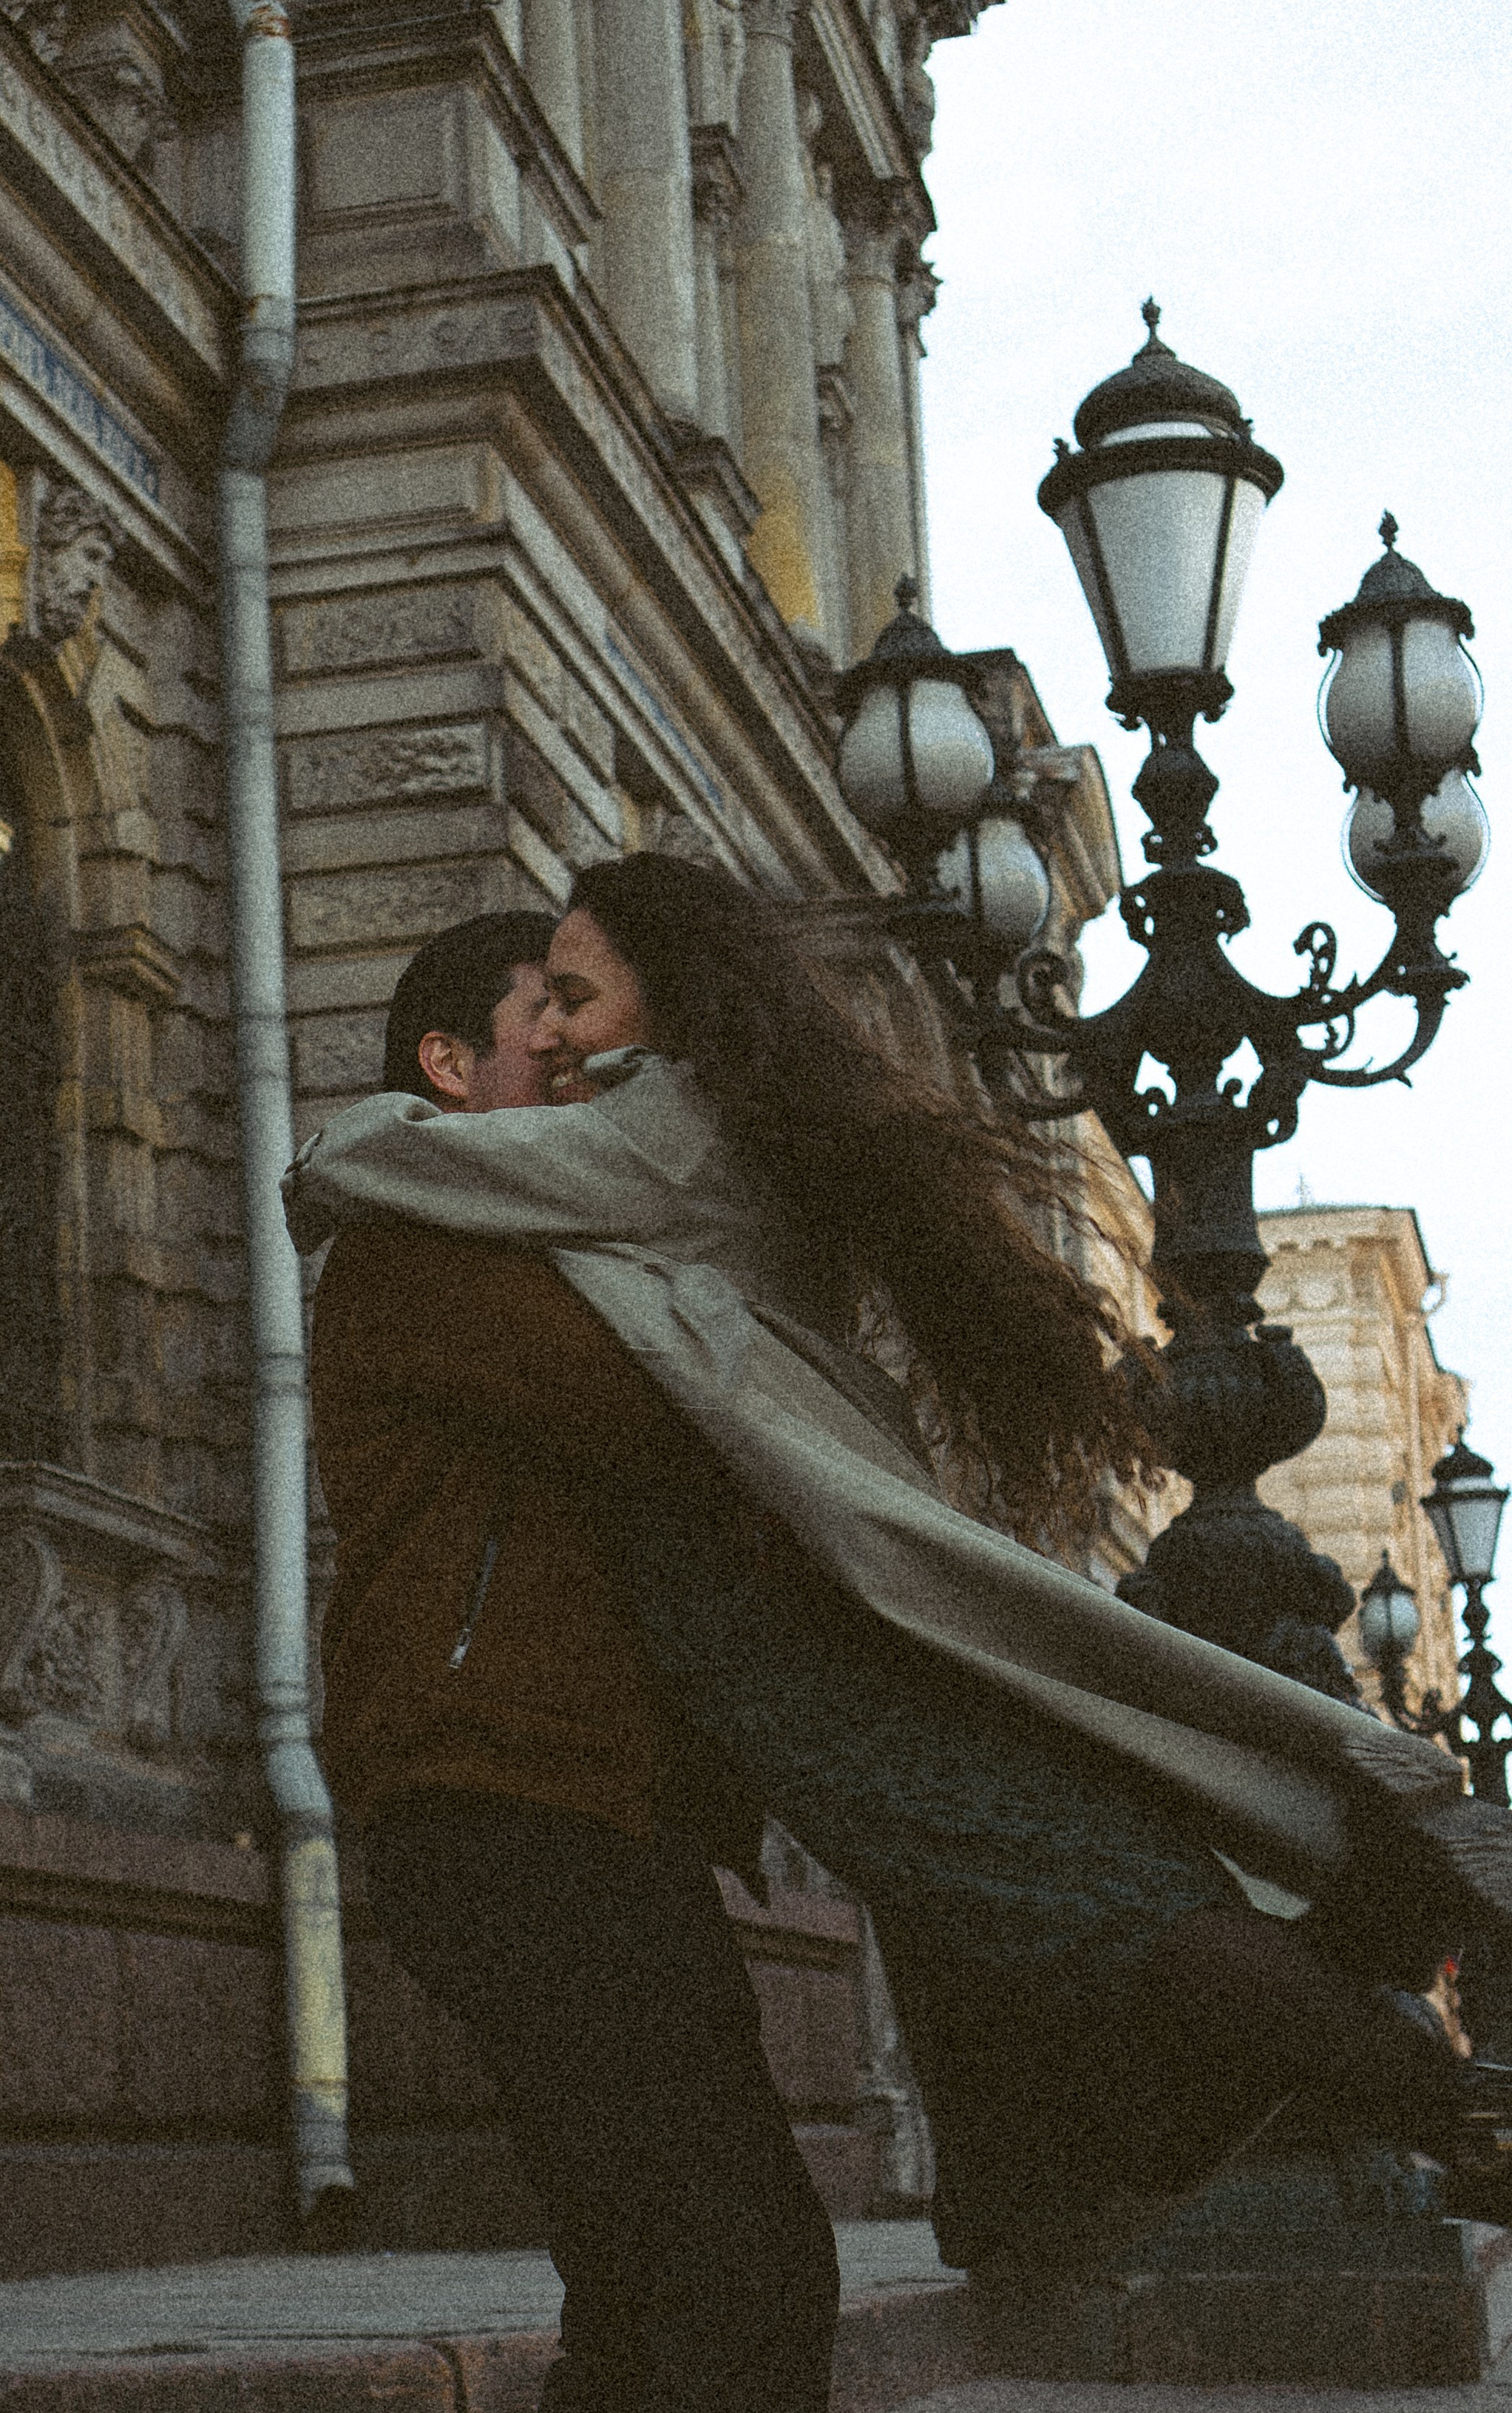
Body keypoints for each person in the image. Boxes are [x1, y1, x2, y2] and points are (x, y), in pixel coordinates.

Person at [288, 855, 1512, 2276]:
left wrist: (338, 1141)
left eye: (575, 995)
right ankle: (1066, 2174)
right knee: (1005, 1881)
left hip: (797, 1625)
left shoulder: (653, 1135)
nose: (557, 1032)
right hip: (779, 1629)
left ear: (665, 1007)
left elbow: (404, 1179)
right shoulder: (661, 1147)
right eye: (538, 1006)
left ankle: (1440, 2100)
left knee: (1068, 1879)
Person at [309, 910, 848, 2413]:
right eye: (542, 1007)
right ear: (452, 1069)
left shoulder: (538, 1241)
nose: (573, 1036)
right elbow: (663, 1415)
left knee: (661, 2286)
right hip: (498, 1800)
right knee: (736, 2260)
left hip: (578, 1814)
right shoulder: (433, 1240)